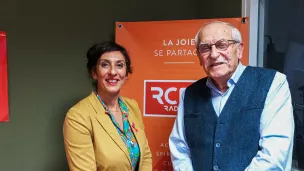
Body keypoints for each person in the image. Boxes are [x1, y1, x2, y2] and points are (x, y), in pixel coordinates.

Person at [169, 21, 295, 171]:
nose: (214, 54)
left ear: (239, 50)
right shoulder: (189, 94)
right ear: (199, 56)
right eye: (205, 48)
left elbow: (275, 156)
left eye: (222, 45)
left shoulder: (274, 83)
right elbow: (180, 149)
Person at [63, 41, 152, 171]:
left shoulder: (132, 107)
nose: (113, 72)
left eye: (119, 65)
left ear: (126, 74)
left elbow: (146, 156)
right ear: (94, 72)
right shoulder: (77, 116)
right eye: (105, 65)